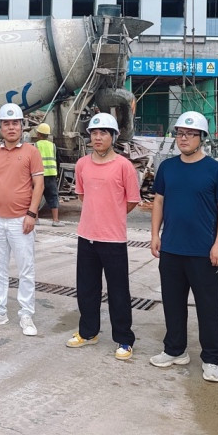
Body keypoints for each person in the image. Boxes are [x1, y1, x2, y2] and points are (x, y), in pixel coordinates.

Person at [149, 111, 218, 383]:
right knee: (173, 304)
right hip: (171, 249)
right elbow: (158, 201)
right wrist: (155, 234)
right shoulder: (167, 168)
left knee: (209, 308)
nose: (183, 138)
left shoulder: (216, 170)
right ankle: (175, 350)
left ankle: (211, 359)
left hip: (203, 252)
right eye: (180, 133)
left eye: (190, 134)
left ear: (202, 137)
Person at [66, 113, 140, 361]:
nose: (98, 137)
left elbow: (131, 201)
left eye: (103, 133)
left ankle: (124, 339)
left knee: (118, 291)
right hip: (86, 236)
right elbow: (82, 195)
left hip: (113, 239)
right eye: (94, 133)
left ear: (113, 137)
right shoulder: (82, 165)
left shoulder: (124, 166)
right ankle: (88, 332)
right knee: (87, 289)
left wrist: (111, 214)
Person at [0, 103, 44, 336]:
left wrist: (31, 214)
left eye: (15, 123)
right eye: (6, 123)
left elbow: (39, 185)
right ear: (0, 127)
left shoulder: (31, 152)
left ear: (22, 126)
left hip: (21, 220)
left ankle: (26, 314)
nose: (11, 127)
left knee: (26, 269)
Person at [32, 122, 64, 226]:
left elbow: (32, 161)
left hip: (39, 175)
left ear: (38, 134)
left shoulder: (36, 145)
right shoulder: (53, 146)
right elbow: (57, 160)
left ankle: (35, 219)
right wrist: (57, 174)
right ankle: (55, 220)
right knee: (53, 196)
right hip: (51, 175)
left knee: (36, 196)